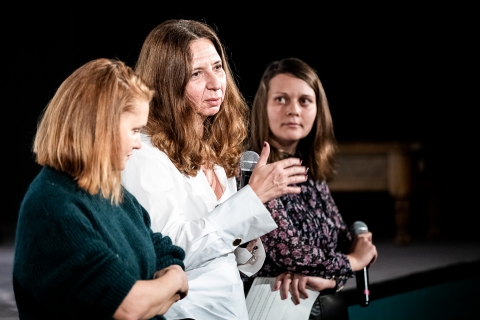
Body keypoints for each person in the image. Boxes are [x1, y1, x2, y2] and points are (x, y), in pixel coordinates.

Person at [121, 19, 308, 320]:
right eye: (197, 73)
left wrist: (247, 240)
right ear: (167, 81)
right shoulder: (144, 153)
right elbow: (170, 251)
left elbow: (227, 253)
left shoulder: (212, 146)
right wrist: (249, 202)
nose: (216, 82)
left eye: (218, 67)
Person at [13, 58, 189, 320]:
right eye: (134, 130)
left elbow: (162, 250)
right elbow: (130, 307)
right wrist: (172, 283)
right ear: (100, 127)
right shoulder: (52, 208)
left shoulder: (110, 191)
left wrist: (168, 276)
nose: (139, 144)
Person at [245, 57, 378, 320]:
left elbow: (342, 240)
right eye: (281, 99)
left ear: (318, 109)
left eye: (304, 100)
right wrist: (353, 262)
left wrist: (329, 281)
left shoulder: (309, 171)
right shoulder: (253, 169)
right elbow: (289, 250)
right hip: (268, 306)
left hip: (307, 302)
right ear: (263, 106)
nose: (293, 109)